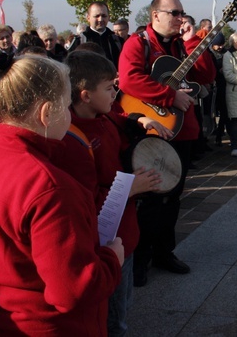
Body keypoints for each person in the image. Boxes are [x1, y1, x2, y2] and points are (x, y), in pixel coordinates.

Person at [0, 51, 122, 335]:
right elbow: (73, 290)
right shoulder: (51, 187)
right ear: (46, 113)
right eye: (66, 107)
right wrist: (111, 260)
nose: (69, 115)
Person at [55, 50, 170, 336]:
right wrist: (131, 188)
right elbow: (88, 201)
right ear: (84, 95)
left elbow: (122, 117)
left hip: (124, 237)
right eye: (109, 88)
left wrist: (142, 120)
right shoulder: (71, 140)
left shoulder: (104, 117)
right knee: (112, 320)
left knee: (123, 306)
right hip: (105, 241)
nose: (115, 93)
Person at [118, 0, 215, 283]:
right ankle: (140, 257)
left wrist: (191, 40)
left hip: (181, 129)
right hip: (148, 129)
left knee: (173, 196)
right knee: (148, 196)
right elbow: (129, 79)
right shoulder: (138, 43)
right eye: (174, 12)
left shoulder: (181, 44)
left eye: (183, 13)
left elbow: (207, 74)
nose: (180, 17)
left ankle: (164, 251)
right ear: (155, 15)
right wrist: (169, 95)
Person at [69, 2, 123, 66]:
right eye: (97, 16)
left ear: (109, 17)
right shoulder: (80, 40)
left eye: (104, 16)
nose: (100, 19)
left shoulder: (118, 41)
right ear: (88, 18)